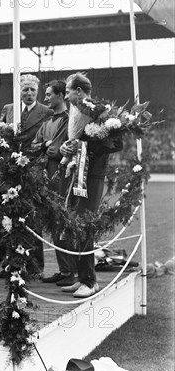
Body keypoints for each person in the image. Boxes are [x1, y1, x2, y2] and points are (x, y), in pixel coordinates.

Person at [59, 72, 123, 298]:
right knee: (75, 223)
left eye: (67, 91)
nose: (65, 96)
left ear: (78, 91)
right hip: (76, 172)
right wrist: (68, 148)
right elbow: (72, 140)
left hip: (93, 174)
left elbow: (116, 143)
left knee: (84, 224)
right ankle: (82, 276)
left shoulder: (99, 109)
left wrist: (85, 146)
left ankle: (90, 280)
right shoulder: (76, 111)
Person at [0, 74, 52, 278]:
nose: (28, 94)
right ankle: (7, 263)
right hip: (10, 170)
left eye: (32, 90)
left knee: (32, 217)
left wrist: (39, 166)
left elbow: (48, 141)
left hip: (33, 170)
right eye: (25, 90)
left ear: (37, 92)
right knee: (6, 215)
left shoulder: (46, 112)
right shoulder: (9, 109)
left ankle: (34, 266)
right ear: (19, 91)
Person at [30, 80, 76, 287]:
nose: (45, 98)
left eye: (49, 94)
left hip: (62, 177)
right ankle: (64, 269)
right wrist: (47, 146)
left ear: (60, 95)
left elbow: (55, 150)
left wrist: (48, 147)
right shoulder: (48, 121)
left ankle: (69, 271)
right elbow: (34, 146)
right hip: (46, 177)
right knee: (52, 222)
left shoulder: (69, 120)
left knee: (62, 221)